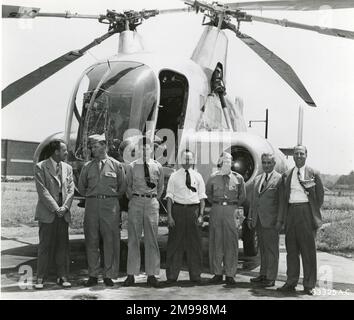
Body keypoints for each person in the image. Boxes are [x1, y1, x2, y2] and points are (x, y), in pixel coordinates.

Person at [78, 134, 126, 287]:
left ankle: (109, 275)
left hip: (110, 205)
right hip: (92, 205)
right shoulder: (87, 166)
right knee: (91, 240)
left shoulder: (117, 165)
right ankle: (93, 275)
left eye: (95, 146)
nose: (92, 149)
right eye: (91, 147)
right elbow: (81, 187)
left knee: (110, 240)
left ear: (104, 145)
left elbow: (122, 187)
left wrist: (109, 197)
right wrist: (93, 196)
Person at [277, 145, 324, 295]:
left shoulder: (314, 173)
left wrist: (311, 212)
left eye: (301, 153)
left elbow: (320, 197)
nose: (298, 156)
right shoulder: (287, 175)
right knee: (291, 250)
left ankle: (309, 285)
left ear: (306, 155)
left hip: (306, 213)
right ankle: (291, 282)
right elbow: (283, 198)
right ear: (292, 156)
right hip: (291, 212)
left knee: (308, 251)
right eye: (296, 153)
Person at [123, 137, 164, 288]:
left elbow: (160, 188)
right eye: (142, 148)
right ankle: (131, 274)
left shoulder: (158, 166)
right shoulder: (132, 166)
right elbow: (127, 186)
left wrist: (152, 199)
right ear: (138, 150)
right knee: (133, 239)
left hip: (152, 203)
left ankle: (152, 275)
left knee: (152, 239)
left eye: (148, 148)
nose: (145, 151)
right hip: (136, 203)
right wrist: (136, 198)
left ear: (152, 149)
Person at [33, 140, 74, 289]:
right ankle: (40, 278)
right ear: (56, 152)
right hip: (49, 214)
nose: (67, 153)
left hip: (63, 214)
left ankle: (63, 277)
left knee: (63, 246)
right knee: (45, 246)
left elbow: (71, 190)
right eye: (64, 150)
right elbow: (42, 191)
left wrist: (65, 208)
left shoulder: (68, 168)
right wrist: (56, 208)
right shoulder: (41, 167)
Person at [165, 150, 207, 285]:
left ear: (193, 160)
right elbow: (169, 197)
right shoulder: (174, 176)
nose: (187, 161)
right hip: (178, 210)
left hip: (193, 211)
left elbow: (202, 198)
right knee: (175, 244)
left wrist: (201, 215)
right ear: (180, 160)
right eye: (184, 159)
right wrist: (170, 216)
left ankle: (195, 276)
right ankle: (171, 276)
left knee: (194, 245)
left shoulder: (198, 176)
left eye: (189, 159)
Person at [206, 152, 246, 285]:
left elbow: (242, 197)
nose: (227, 163)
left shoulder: (238, 178)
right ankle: (217, 273)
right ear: (220, 162)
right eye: (224, 161)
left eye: (229, 161)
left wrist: (232, 206)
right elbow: (208, 194)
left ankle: (230, 274)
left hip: (232, 210)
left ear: (232, 163)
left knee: (232, 243)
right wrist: (218, 204)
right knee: (216, 241)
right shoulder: (212, 177)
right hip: (216, 209)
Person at [248, 153, 282, 287]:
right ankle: (263, 274)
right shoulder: (257, 179)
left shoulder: (279, 179)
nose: (266, 165)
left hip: (271, 221)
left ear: (274, 164)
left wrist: (279, 221)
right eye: (264, 162)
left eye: (269, 163)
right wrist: (251, 217)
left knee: (272, 250)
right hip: (258, 221)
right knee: (262, 249)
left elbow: (281, 203)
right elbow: (253, 201)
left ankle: (271, 277)